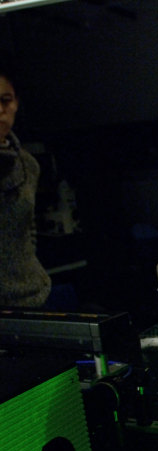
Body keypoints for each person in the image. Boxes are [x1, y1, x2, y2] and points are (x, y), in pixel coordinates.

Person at [0, 60, 51, 308]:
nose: (0, 110)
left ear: (16, 103)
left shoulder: (28, 164)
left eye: (6, 100)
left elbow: (28, 230)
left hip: (31, 296)